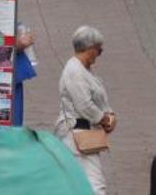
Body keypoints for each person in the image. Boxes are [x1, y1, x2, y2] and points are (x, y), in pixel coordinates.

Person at [56, 26, 118, 193]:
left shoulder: (86, 70)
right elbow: (84, 105)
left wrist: (110, 114)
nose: (99, 54)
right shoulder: (74, 71)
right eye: (99, 50)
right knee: (95, 183)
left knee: (79, 182)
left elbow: (99, 98)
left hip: (84, 133)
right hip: (77, 134)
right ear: (90, 49)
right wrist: (104, 119)